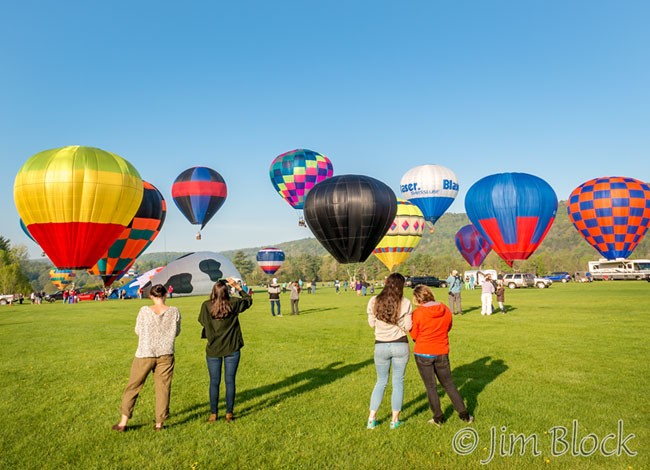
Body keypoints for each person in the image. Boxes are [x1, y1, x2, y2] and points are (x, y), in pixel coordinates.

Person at [112, 284, 181, 432]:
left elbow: (137, 330)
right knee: (163, 388)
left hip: (145, 353)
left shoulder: (144, 311)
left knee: (133, 387)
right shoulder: (174, 311)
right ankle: (159, 424)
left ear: (151, 296)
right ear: (165, 295)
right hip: (166, 353)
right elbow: (177, 331)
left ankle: (123, 422)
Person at [410, 285, 473, 426]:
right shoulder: (445, 308)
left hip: (423, 352)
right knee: (449, 384)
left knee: (431, 386)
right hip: (441, 350)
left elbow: (414, 334)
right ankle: (464, 414)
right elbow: (448, 326)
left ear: (417, 298)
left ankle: (438, 417)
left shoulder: (418, 313)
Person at [198, 278, 253, 423]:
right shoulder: (234, 303)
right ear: (228, 291)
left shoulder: (206, 306)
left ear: (213, 292)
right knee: (230, 381)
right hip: (232, 347)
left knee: (214, 382)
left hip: (213, 348)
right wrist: (238, 287)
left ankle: (213, 414)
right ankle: (229, 413)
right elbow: (248, 300)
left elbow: (203, 321)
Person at [366, 273, 412, 430]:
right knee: (398, 382)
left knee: (381, 382)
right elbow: (408, 327)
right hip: (400, 344)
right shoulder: (405, 302)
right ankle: (395, 420)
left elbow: (371, 323)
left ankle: (372, 418)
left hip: (380, 345)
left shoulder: (374, 301)